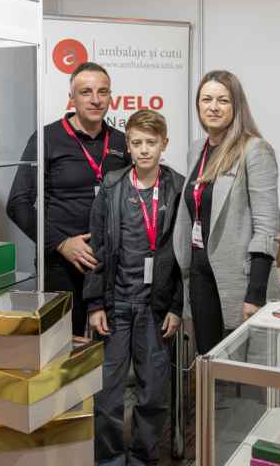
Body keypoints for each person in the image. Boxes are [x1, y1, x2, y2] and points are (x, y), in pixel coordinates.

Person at [84, 109, 184, 466]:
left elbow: (183, 255)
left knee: (153, 393)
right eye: (137, 142)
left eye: (151, 143)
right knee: (106, 395)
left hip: (155, 308)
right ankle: (110, 460)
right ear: (127, 145)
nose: (144, 150)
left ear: (164, 144)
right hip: (116, 305)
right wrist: (95, 304)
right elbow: (97, 247)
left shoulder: (177, 188)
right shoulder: (112, 186)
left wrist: (176, 307)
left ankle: (143, 459)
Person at [7, 62, 131, 335]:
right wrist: (61, 243)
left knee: (111, 348)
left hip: (110, 264)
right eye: (86, 92)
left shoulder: (122, 142)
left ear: (111, 97)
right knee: (62, 347)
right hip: (61, 264)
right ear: (71, 98)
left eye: (102, 92)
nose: (96, 99)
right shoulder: (47, 138)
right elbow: (17, 204)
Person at [172, 70, 280, 355]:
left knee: (241, 365)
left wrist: (255, 293)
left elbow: (267, 228)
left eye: (223, 100)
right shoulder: (197, 150)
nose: (213, 107)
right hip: (200, 276)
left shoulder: (254, 150)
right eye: (206, 99)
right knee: (209, 358)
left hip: (238, 281)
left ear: (236, 106)